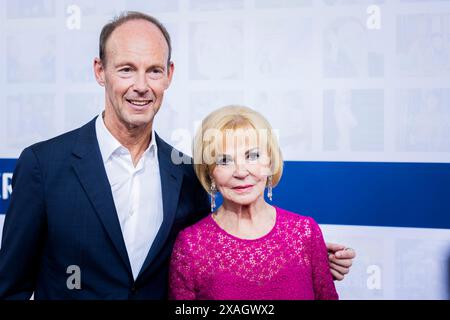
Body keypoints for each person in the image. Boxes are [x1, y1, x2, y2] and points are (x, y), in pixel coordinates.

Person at [0, 11, 354, 300]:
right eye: (126, 69)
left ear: (169, 75)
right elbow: (10, 288)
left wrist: (300, 260)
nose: (141, 85)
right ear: (99, 71)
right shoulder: (43, 166)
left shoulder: (186, 174)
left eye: (153, 70)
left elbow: (214, 257)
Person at [169, 105, 338, 299]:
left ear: (270, 162)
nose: (241, 172)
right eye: (224, 160)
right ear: (209, 171)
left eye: (253, 156)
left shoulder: (305, 233)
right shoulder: (191, 246)